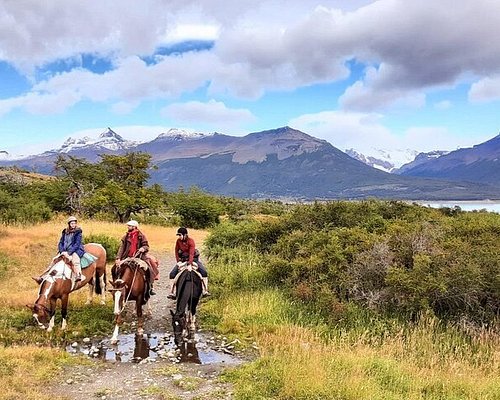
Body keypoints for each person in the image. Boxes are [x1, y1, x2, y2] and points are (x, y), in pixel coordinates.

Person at [33, 216, 84, 283]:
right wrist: (62, 251)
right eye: (72, 223)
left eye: (74, 223)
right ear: (69, 224)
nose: (73, 225)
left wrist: (69, 253)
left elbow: (77, 244)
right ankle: (42, 277)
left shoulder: (78, 232)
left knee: (75, 261)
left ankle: (78, 275)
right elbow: (61, 242)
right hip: (64, 251)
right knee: (54, 261)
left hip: (75, 250)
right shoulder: (65, 232)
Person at [115, 220, 158, 295]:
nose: (128, 227)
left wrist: (143, 248)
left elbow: (146, 246)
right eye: (128, 226)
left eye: (129, 226)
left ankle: (150, 286)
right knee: (115, 269)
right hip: (127, 257)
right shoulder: (126, 237)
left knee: (149, 268)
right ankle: (117, 285)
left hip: (139, 257)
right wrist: (118, 258)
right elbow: (121, 248)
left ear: (134, 227)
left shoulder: (141, 236)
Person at [167, 227, 210, 300]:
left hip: (193, 260)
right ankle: (172, 292)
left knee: (204, 272)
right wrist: (178, 262)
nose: (179, 237)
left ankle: (205, 290)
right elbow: (176, 251)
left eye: (180, 235)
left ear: (185, 235)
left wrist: (190, 264)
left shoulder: (191, 241)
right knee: (172, 274)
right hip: (183, 260)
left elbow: (191, 254)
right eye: (179, 235)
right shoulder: (178, 241)